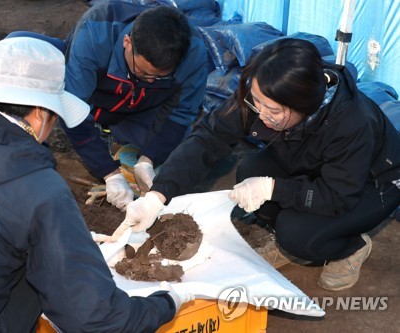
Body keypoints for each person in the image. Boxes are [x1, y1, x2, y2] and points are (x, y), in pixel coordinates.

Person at [0, 37, 193, 332]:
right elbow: (97, 320)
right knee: (43, 272)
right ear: (41, 113)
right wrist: (170, 302)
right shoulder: (39, 188)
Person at [105, 38, 400, 291]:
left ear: (305, 106)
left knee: (298, 234)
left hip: (371, 184)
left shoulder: (350, 123)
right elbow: (209, 138)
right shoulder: (264, 92)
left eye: (272, 110)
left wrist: (275, 188)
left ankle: (351, 247)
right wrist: (158, 195)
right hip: (315, 163)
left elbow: (337, 195)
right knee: (249, 172)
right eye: (256, 102)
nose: (260, 114)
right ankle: (288, 229)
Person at [60, 1, 207, 210]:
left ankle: (130, 148)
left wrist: (148, 160)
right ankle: (106, 137)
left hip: (147, 104)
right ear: (127, 42)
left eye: (159, 76)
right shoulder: (96, 31)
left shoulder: (193, 52)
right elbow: (71, 108)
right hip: (99, 95)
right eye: (143, 72)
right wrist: (110, 174)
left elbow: (181, 114)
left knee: (175, 154)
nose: (149, 79)